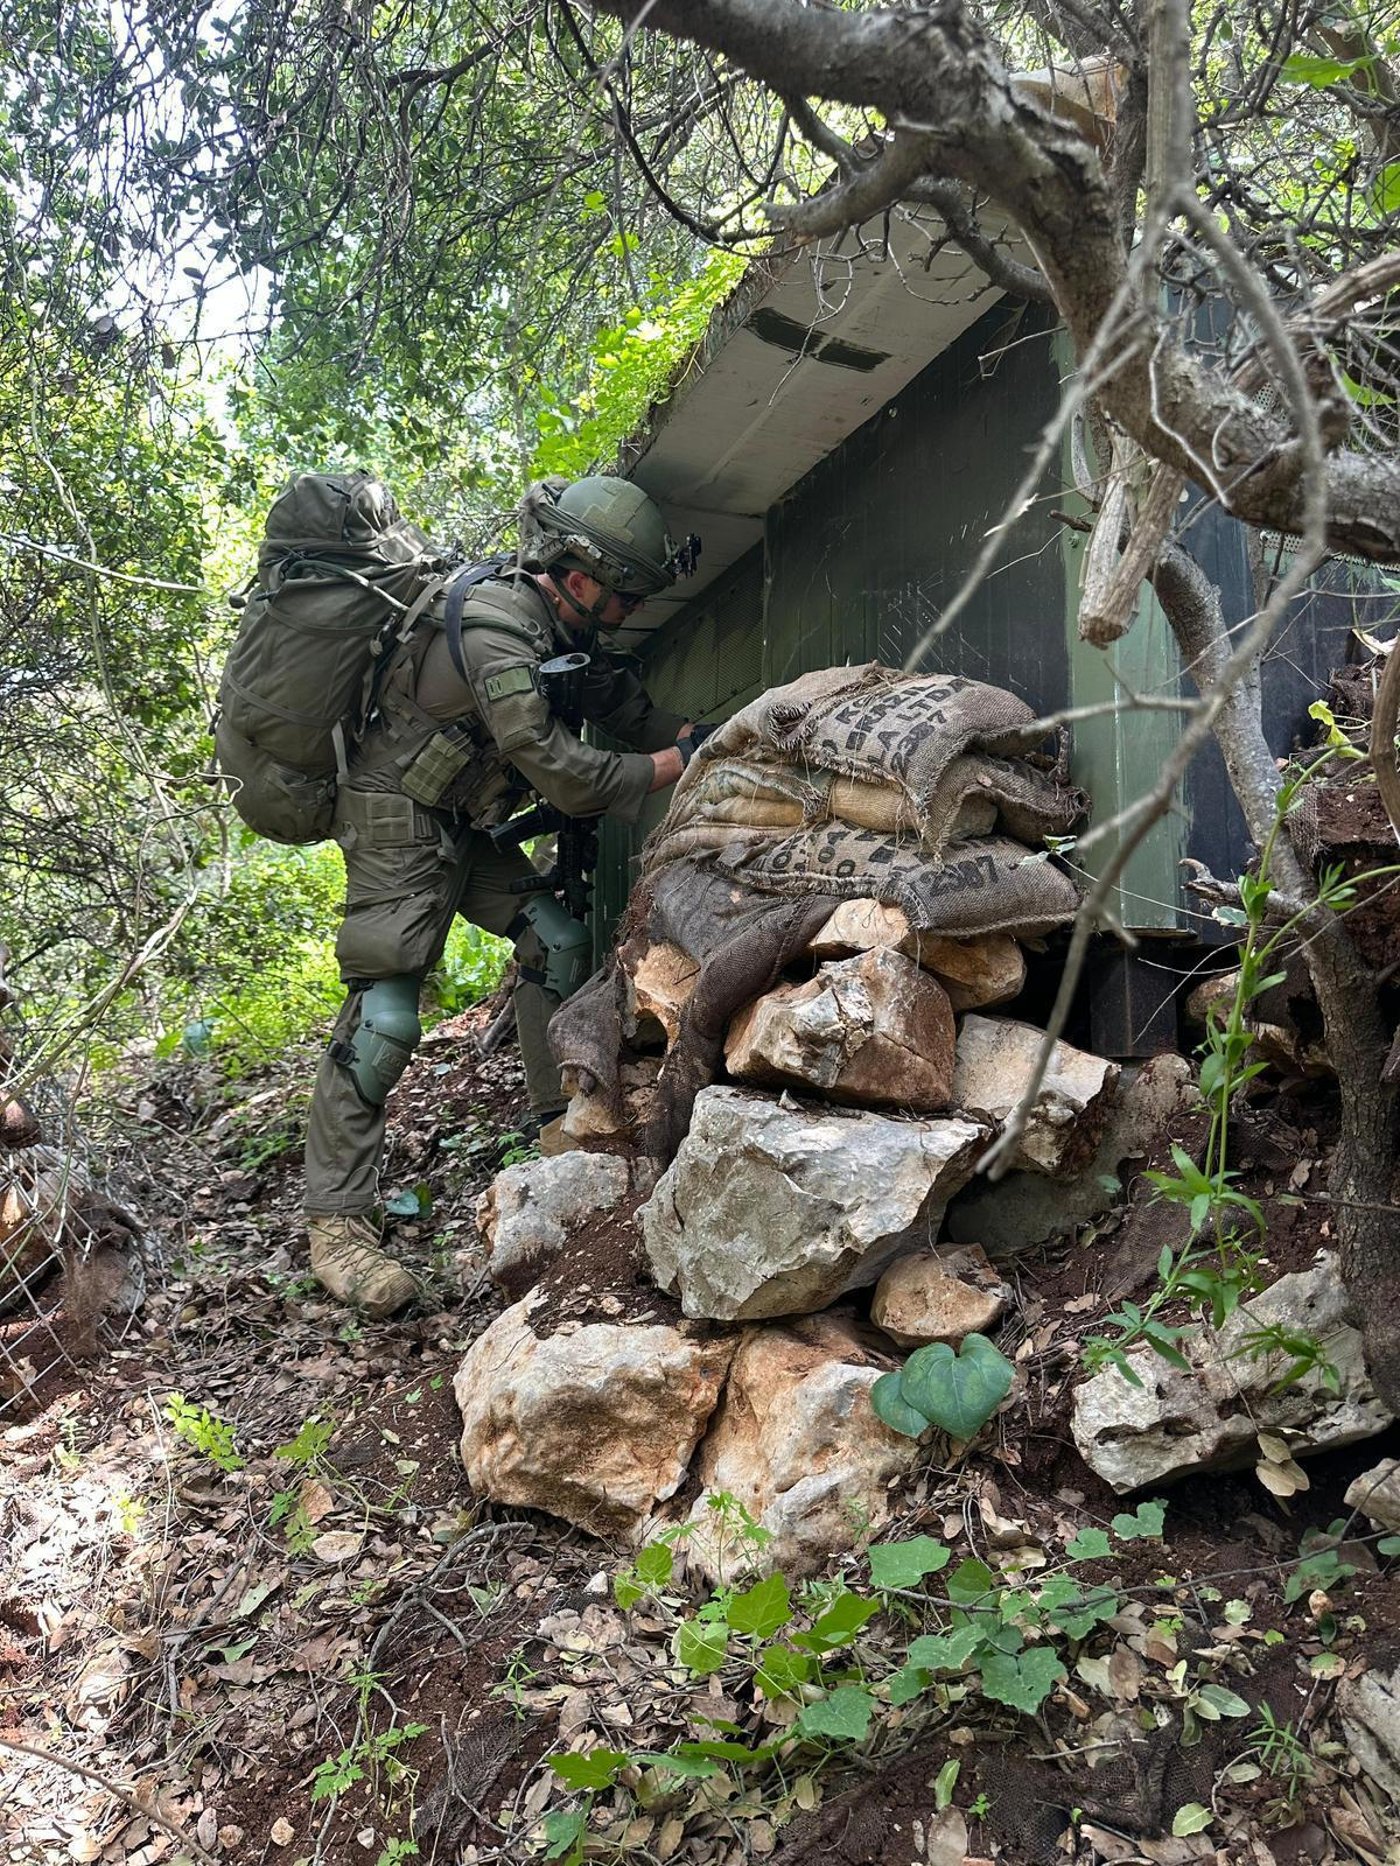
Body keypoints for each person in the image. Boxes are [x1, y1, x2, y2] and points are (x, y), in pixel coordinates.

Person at [303, 475, 706, 1315]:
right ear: (580, 574)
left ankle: (552, 1119)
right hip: (393, 823)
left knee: (554, 940)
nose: (630, 606)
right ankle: (336, 1227)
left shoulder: (562, 622)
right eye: (625, 590)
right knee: (384, 1020)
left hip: (456, 822)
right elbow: (560, 769)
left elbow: (613, 699)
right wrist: (676, 767)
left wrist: (691, 735)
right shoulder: (494, 626)